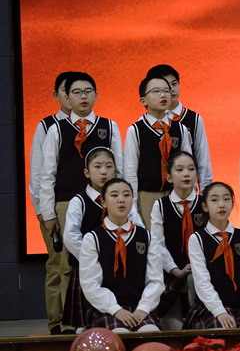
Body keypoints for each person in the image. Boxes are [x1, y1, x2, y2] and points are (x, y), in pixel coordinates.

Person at [38, 72, 124, 333]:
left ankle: (107, 315)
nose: (83, 97)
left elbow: (120, 169)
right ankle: (66, 322)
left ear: (97, 95)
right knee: (66, 265)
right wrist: (48, 213)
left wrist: (119, 199)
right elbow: (47, 174)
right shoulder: (56, 129)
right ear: (67, 97)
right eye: (76, 92)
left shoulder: (109, 126)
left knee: (109, 259)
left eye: (88, 91)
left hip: (104, 202)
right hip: (65, 203)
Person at [63, 148, 143, 332]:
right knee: (84, 328)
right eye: (97, 167)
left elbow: (138, 228)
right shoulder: (79, 201)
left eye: (109, 166)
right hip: (88, 267)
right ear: (87, 172)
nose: (103, 172)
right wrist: (92, 258)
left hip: (120, 266)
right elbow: (70, 235)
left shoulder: (124, 199)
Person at [79, 178, 164, 333]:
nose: (121, 200)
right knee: (119, 334)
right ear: (103, 202)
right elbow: (90, 284)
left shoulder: (147, 236)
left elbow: (156, 280)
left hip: (139, 306)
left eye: (126, 195)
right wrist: (115, 309)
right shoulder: (92, 238)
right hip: (107, 308)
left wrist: (143, 308)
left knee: (150, 332)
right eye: (114, 195)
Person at [29, 71, 77, 334]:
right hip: (56, 207)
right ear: (57, 95)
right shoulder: (47, 125)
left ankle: (79, 319)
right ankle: (57, 322)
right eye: (66, 90)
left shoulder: (95, 126)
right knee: (58, 265)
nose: (72, 95)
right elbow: (38, 173)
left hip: (87, 207)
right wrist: (43, 211)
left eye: (79, 90)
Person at [184, 182, 240, 329]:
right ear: (205, 206)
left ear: (232, 203)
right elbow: (202, 282)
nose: (221, 205)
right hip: (210, 309)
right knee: (221, 328)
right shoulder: (197, 239)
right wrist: (219, 311)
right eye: (214, 200)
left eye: (226, 199)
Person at [123, 75, 193, 229]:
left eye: (166, 91)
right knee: (151, 236)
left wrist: (190, 194)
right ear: (143, 100)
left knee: (176, 235)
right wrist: (132, 203)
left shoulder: (180, 129)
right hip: (147, 194)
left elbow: (189, 164)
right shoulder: (136, 130)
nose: (163, 95)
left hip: (176, 193)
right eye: (156, 91)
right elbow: (130, 169)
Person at [150, 151, 207, 329]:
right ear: (169, 177)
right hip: (171, 275)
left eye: (191, 169)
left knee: (199, 323)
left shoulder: (205, 203)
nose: (186, 174)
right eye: (179, 170)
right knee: (173, 329)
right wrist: (175, 269)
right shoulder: (160, 205)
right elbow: (157, 243)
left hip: (202, 273)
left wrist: (199, 268)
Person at [146, 64, 213, 190]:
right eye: (164, 86)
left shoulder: (194, 119)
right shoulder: (144, 123)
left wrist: (205, 192)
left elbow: (202, 158)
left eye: (174, 84)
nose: (171, 90)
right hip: (152, 190)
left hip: (185, 190)